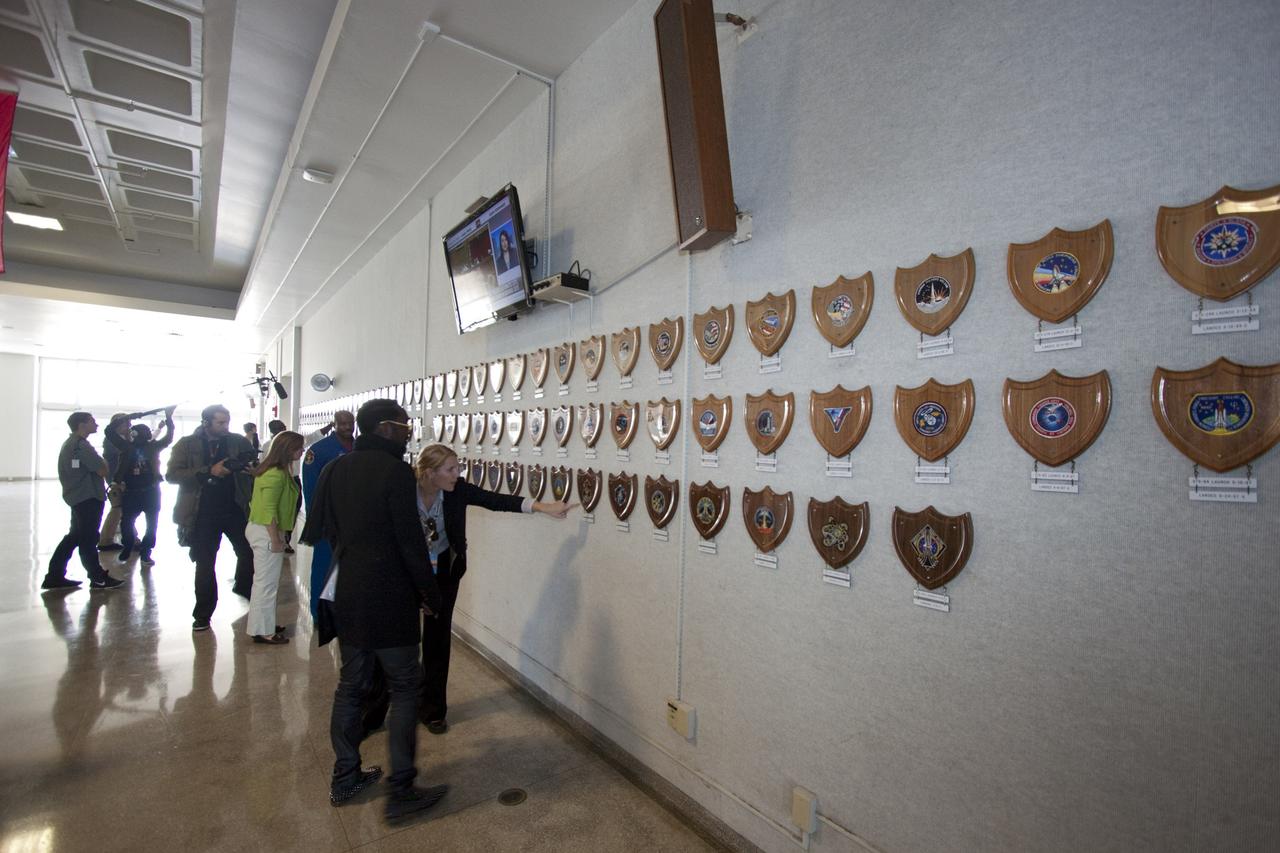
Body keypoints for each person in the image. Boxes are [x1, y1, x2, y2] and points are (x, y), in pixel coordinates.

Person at [304, 399, 447, 821]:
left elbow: (319, 529)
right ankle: (401, 790)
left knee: (351, 686)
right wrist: (429, 593)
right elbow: (409, 541)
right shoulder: (395, 472)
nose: (408, 431)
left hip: (349, 592)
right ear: (384, 428)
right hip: (389, 598)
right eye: (403, 425)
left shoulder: (336, 467)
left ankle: (345, 776)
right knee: (405, 688)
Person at [412, 444, 575, 733]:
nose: (457, 474)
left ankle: (433, 709)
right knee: (399, 640)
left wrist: (543, 507)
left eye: (458, 467)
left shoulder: (457, 490)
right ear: (429, 473)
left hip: (444, 572)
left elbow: (495, 500)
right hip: (408, 572)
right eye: (451, 469)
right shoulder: (404, 491)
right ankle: (391, 701)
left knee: (437, 638)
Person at [165, 404, 257, 632]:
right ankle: (203, 614)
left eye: (227, 421)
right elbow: (172, 475)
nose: (226, 426)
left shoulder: (236, 441)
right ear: (206, 422)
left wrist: (252, 469)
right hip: (201, 512)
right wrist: (209, 471)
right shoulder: (186, 445)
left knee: (247, 552)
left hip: (235, 508)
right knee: (205, 563)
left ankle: (245, 589)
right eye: (220, 422)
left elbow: (253, 462)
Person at [42, 412, 124, 590]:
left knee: (74, 537)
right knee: (88, 538)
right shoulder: (80, 446)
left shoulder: (72, 444)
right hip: (87, 497)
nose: (96, 424)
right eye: (92, 421)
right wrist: (103, 463)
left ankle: (54, 575)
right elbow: (102, 470)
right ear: (82, 424)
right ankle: (97, 578)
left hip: (79, 497)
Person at [244, 430, 304, 645]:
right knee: (266, 584)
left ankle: (262, 625)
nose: (302, 451)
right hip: (266, 532)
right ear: (288, 450)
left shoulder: (274, 470)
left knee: (264, 583)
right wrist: (277, 540)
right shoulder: (275, 475)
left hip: (265, 530)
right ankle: (264, 631)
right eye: (299, 448)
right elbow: (269, 510)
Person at [105, 408, 175, 567]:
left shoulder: (151, 447)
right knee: (130, 522)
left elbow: (169, 437)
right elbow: (109, 430)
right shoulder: (127, 447)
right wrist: (133, 416)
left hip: (150, 491)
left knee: (146, 523)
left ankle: (145, 551)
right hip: (132, 491)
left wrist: (169, 417)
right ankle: (129, 546)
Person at [301, 410, 355, 616]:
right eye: (342, 424)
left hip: (352, 518)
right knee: (324, 564)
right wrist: (317, 518)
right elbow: (311, 488)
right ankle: (319, 611)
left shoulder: (359, 448)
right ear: (334, 424)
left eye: (350, 423)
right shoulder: (319, 450)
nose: (347, 428)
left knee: (350, 567)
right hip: (328, 519)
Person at [97, 412, 131, 552]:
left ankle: (130, 538)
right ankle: (106, 540)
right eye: (126, 423)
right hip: (116, 479)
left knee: (124, 509)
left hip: (123, 478)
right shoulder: (111, 440)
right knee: (118, 509)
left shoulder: (123, 438)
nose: (129, 426)